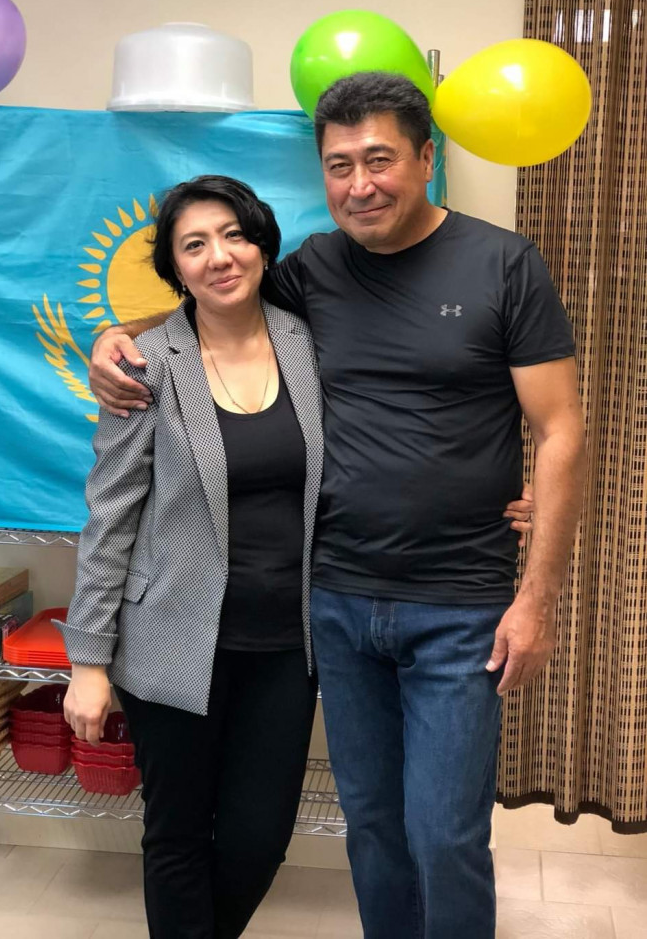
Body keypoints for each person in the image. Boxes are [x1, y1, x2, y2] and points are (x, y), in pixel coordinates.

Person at [88, 73, 583, 939]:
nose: (361, 184)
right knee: (374, 830)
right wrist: (112, 338)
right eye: (340, 164)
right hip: (337, 607)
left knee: (444, 834)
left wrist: (537, 599)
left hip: (459, 603)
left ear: (426, 158)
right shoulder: (314, 270)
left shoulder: (504, 263)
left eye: (380, 159)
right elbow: (208, 301)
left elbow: (561, 429)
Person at [59, 175, 324, 939]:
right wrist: (88, 661)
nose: (219, 256)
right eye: (195, 244)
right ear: (175, 267)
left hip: (286, 644)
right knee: (176, 833)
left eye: (234, 235)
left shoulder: (311, 342)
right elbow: (110, 516)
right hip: (169, 639)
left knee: (257, 837)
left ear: (262, 244)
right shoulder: (146, 362)